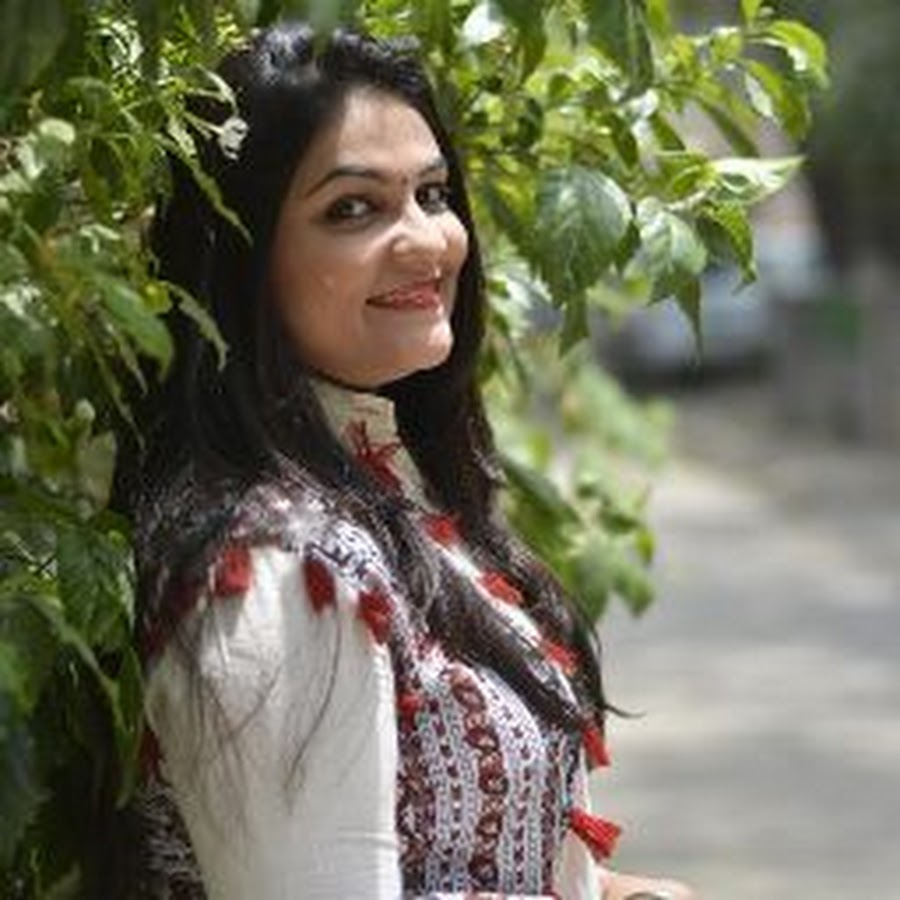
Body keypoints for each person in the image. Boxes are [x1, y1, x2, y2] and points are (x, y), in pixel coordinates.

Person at [123, 20, 694, 900]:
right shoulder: (276, 566)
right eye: (353, 208)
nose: (429, 241)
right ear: (242, 259)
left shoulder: (389, 491)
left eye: (432, 194)